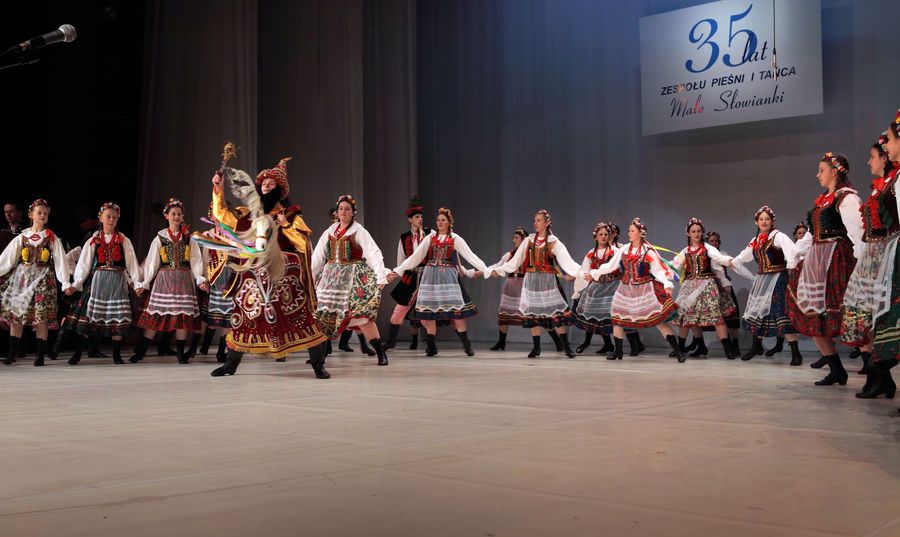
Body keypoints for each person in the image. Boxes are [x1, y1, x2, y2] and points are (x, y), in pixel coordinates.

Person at [208, 156, 330, 378]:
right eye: (263, 183)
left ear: (279, 190)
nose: (266, 186)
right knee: (245, 317)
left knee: (300, 317)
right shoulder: (248, 214)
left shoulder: (290, 215)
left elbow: (303, 244)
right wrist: (218, 189)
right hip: (252, 277)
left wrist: (286, 226)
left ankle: (318, 364)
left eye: (271, 184)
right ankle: (231, 365)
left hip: (282, 277)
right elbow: (222, 215)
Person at [788, 153, 864, 386]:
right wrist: (795, 254)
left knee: (851, 315)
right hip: (816, 261)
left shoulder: (846, 198)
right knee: (811, 314)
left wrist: (863, 261)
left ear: (834, 171)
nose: (817, 174)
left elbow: (858, 232)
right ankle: (836, 369)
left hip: (837, 260)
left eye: (821, 170)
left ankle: (875, 372)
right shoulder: (821, 200)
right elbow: (812, 234)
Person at [389, 207, 491, 357]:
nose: (440, 222)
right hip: (430, 277)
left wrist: (485, 269)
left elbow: (470, 256)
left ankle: (466, 344)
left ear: (449, 222)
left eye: (443, 220)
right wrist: (398, 270)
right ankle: (431, 346)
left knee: (456, 312)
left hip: (447, 278)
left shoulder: (455, 238)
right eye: (438, 220)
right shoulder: (430, 237)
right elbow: (415, 257)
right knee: (428, 311)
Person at [311, 195, 391, 365]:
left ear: (353, 212)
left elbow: (373, 252)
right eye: (341, 209)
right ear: (337, 212)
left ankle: (380, 353)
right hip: (330, 281)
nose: (343, 211)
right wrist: (311, 278)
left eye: (347, 209)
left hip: (353, 279)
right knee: (324, 317)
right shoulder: (329, 231)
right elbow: (318, 257)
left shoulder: (358, 231)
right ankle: (320, 357)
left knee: (362, 317)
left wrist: (380, 275)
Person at [129, 199, 208, 364]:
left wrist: (200, 279)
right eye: (173, 214)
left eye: (179, 214)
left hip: (184, 280)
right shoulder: (160, 237)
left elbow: (196, 260)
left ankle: (180, 353)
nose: (176, 217)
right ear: (167, 216)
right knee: (156, 315)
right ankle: (141, 351)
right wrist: (145, 283)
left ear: (182, 216)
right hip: (165, 280)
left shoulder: (189, 238)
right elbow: (152, 263)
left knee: (182, 316)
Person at [64, 202, 143, 365]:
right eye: (108, 216)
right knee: (88, 318)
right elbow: (84, 264)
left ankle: (116, 355)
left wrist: (137, 284)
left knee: (118, 318)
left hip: (117, 282)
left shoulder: (123, 240)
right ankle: (77, 354)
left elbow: (132, 264)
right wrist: (76, 283)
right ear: (100, 218)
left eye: (114, 217)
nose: (111, 220)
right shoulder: (94, 239)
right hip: (98, 282)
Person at [0, 199, 73, 366]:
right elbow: (7, 259)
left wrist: (65, 282)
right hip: (23, 279)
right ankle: (12, 353)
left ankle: (40, 355)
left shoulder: (51, 237)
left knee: (42, 318)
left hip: (44, 280)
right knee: (17, 316)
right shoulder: (22, 237)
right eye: (39, 213)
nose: (42, 215)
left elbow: (61, 262)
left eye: (45, 213)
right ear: (31, 215)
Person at [382, 197, 430, 351]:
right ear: (410, 219)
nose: (420, 219)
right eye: (416, 217)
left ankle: (432, 345)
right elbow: (401, 260)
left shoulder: (430, 234)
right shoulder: (404, 238)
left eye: (421, 217)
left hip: (427, 277)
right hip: (411, 276)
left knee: (428, 312)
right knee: (399, 309)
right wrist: (397, 273)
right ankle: (391, 342)